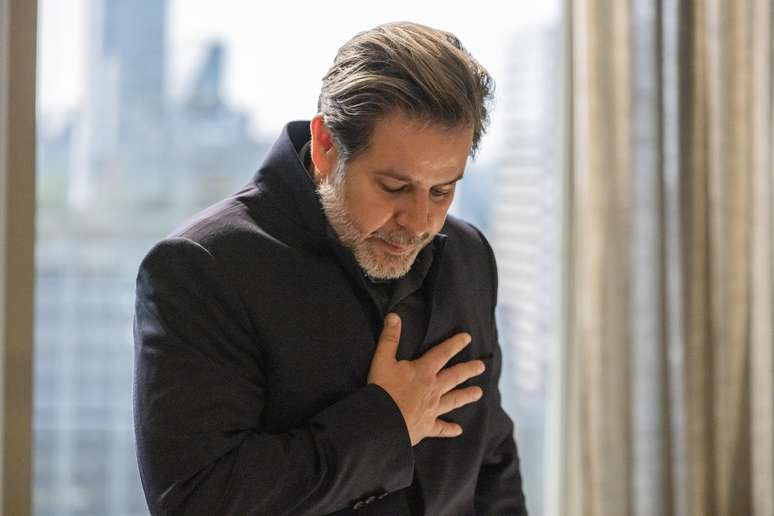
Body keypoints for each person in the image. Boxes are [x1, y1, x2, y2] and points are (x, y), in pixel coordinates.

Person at [133, 21, 528, 515]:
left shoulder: (469, 256)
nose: (420, 222)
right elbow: (197, 502)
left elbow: (493, 463)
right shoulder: (201, 269)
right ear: (325, 146)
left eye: (442, 190)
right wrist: (387, 424)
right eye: (393, 187)